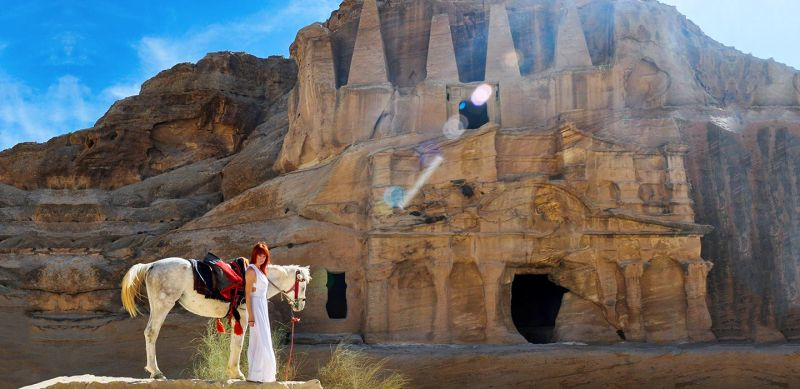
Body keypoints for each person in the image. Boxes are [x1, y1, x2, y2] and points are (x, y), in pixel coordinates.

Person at [245, 241, 277, 382]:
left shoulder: (261, 270)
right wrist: (251, 316)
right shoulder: (251, 270)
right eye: (260, 255)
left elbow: (258, 290)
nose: (262, 258)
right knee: (259, 340)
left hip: (262, 307)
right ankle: (256, 374)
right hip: (255, 307)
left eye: (264, 256)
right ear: (254, 255)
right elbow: (248, 294)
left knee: (263, 340)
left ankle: (262, 375)